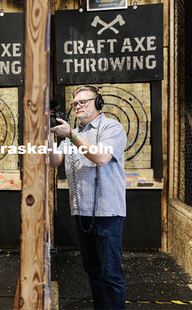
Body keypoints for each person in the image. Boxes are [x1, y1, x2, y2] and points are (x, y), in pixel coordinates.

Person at [49, 85, 127, 309]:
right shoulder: (76, 134)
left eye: (84, 101)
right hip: (81, 213)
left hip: (107, 213)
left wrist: (71, 135)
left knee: (110, 274)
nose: (79, 106)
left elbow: (101, 157)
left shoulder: (111, 127)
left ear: (98, 103)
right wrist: (47, 134)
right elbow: (54, 161)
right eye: (75, 103)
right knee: (93, 271)